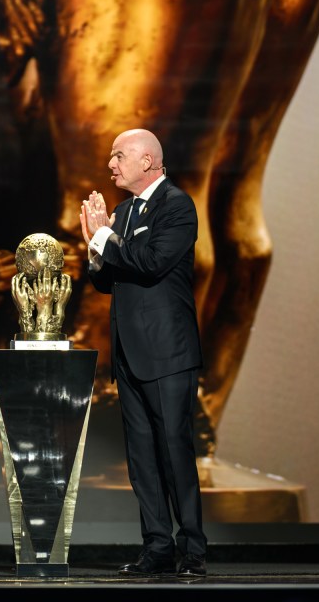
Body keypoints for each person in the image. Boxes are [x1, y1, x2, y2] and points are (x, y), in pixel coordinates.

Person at [80, 128, 207, 579]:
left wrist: (104, 238)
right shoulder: (123, 211)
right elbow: (105, 281)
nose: (111, 164)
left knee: (174, 450)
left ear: (148, 161)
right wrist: (95, 248)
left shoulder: (177, 206)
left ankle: (192, 550)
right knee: (141, 458)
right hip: (129, 353)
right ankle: (156, 547)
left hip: (167, 352)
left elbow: (152, 263)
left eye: (119, 156)